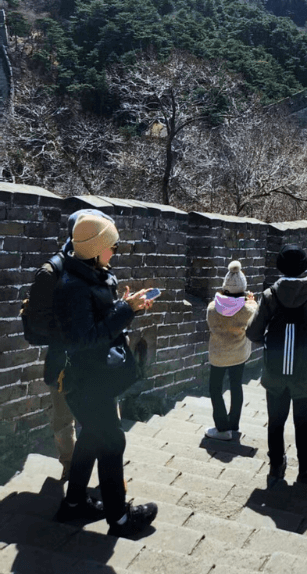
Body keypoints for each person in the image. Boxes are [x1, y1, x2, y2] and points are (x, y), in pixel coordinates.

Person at [53, 214, 158, 536]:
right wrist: (126, 311)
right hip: (86, 381)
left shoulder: (93, 275)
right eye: (112, 245)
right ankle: (120, 519)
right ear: (97, 248)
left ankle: (73, 505)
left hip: (94, 378)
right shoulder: (74, 287)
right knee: (113, 441)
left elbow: (99, 323)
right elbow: (85, 339)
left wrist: (126, 306)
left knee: (91, 437)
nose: (115, 251)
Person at [246, 244, 307, 482]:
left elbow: (252, 333)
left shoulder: (269, 295)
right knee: (304, 423)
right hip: (306, 373)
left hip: (275, 372)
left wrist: (269, 341)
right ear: (305, 267)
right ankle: (305, 467)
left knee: (276, 421)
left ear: (280, 267)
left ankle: (276, 465)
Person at [44, 209, 115, 481]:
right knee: (99, 417)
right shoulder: (86, 272)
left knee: (62, 418)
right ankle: (89, 474)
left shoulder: (56, 266)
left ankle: (70, 467)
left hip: (58, 357)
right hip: (85, 361)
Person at [205, 261, 257, 441]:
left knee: (215, 388)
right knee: (236, 386)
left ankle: (221, 427)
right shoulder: (247, 310)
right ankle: (233, 425)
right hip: (239, 354)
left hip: (218, 356)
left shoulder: (212, 308)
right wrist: (251, 301)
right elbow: (255, 318)